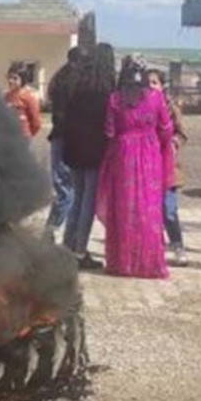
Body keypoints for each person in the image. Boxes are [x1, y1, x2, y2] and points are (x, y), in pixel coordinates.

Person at [96, 56, 174, 279]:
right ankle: (148, 262)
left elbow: (109, 131)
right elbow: (167, 128)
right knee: (148, 208)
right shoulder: (157, 98)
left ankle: (124, 262)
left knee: (125, 208)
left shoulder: (114, 99)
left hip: (123, 155)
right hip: (150, 154)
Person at [62, 43, 116, 271]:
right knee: (88, 203)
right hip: (94, 150)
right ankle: (80, 251)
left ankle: (68, 245)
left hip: (73, 148)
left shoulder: (76, 85)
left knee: (76, 198)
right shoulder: (106, 90)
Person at [44, 47, 86, 242]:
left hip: (59, 138)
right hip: (69, 139)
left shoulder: (59, 79)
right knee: (69, 191)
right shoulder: (74, 83)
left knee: (63, 189)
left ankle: (52, 230)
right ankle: (53, 231)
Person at [148, 68, 188, 266]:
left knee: (168, 208)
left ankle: (178, 244)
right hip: (147, 163)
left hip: (168, 165)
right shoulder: (141, 105)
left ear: (162, 86)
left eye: (154, 82)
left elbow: (181, 133)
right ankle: (154, 246)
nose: (151, 86)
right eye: (148, 82)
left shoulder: (171, 107)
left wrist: (173, 143)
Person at [3, 64, 42, 139]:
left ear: (23, 79)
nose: (10, 81)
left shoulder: (29, 97)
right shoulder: (6, 97)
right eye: (9, 77)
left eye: (15, 78)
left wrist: (27, 135)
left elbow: (36, 123)